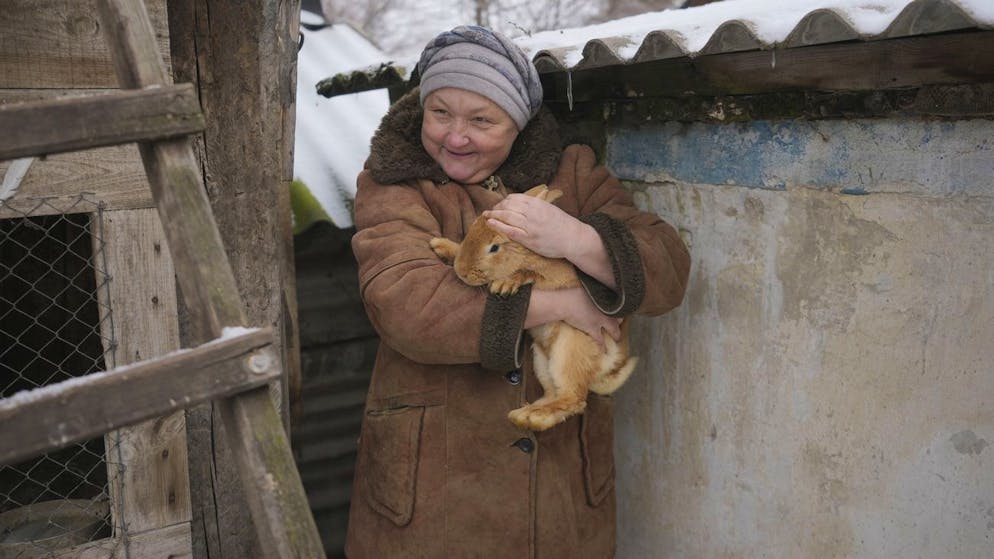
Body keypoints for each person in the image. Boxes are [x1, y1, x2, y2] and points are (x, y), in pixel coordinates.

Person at [345, 25, 690, 559]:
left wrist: (577, 239)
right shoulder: (395, 184)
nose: (455, 137)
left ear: (519, 123)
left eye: (481, 120)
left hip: (559, 487)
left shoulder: (572, 172)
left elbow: (669, 267)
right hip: (436, 484)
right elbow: (405, 304)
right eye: (440, 113)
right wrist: (559, 303)